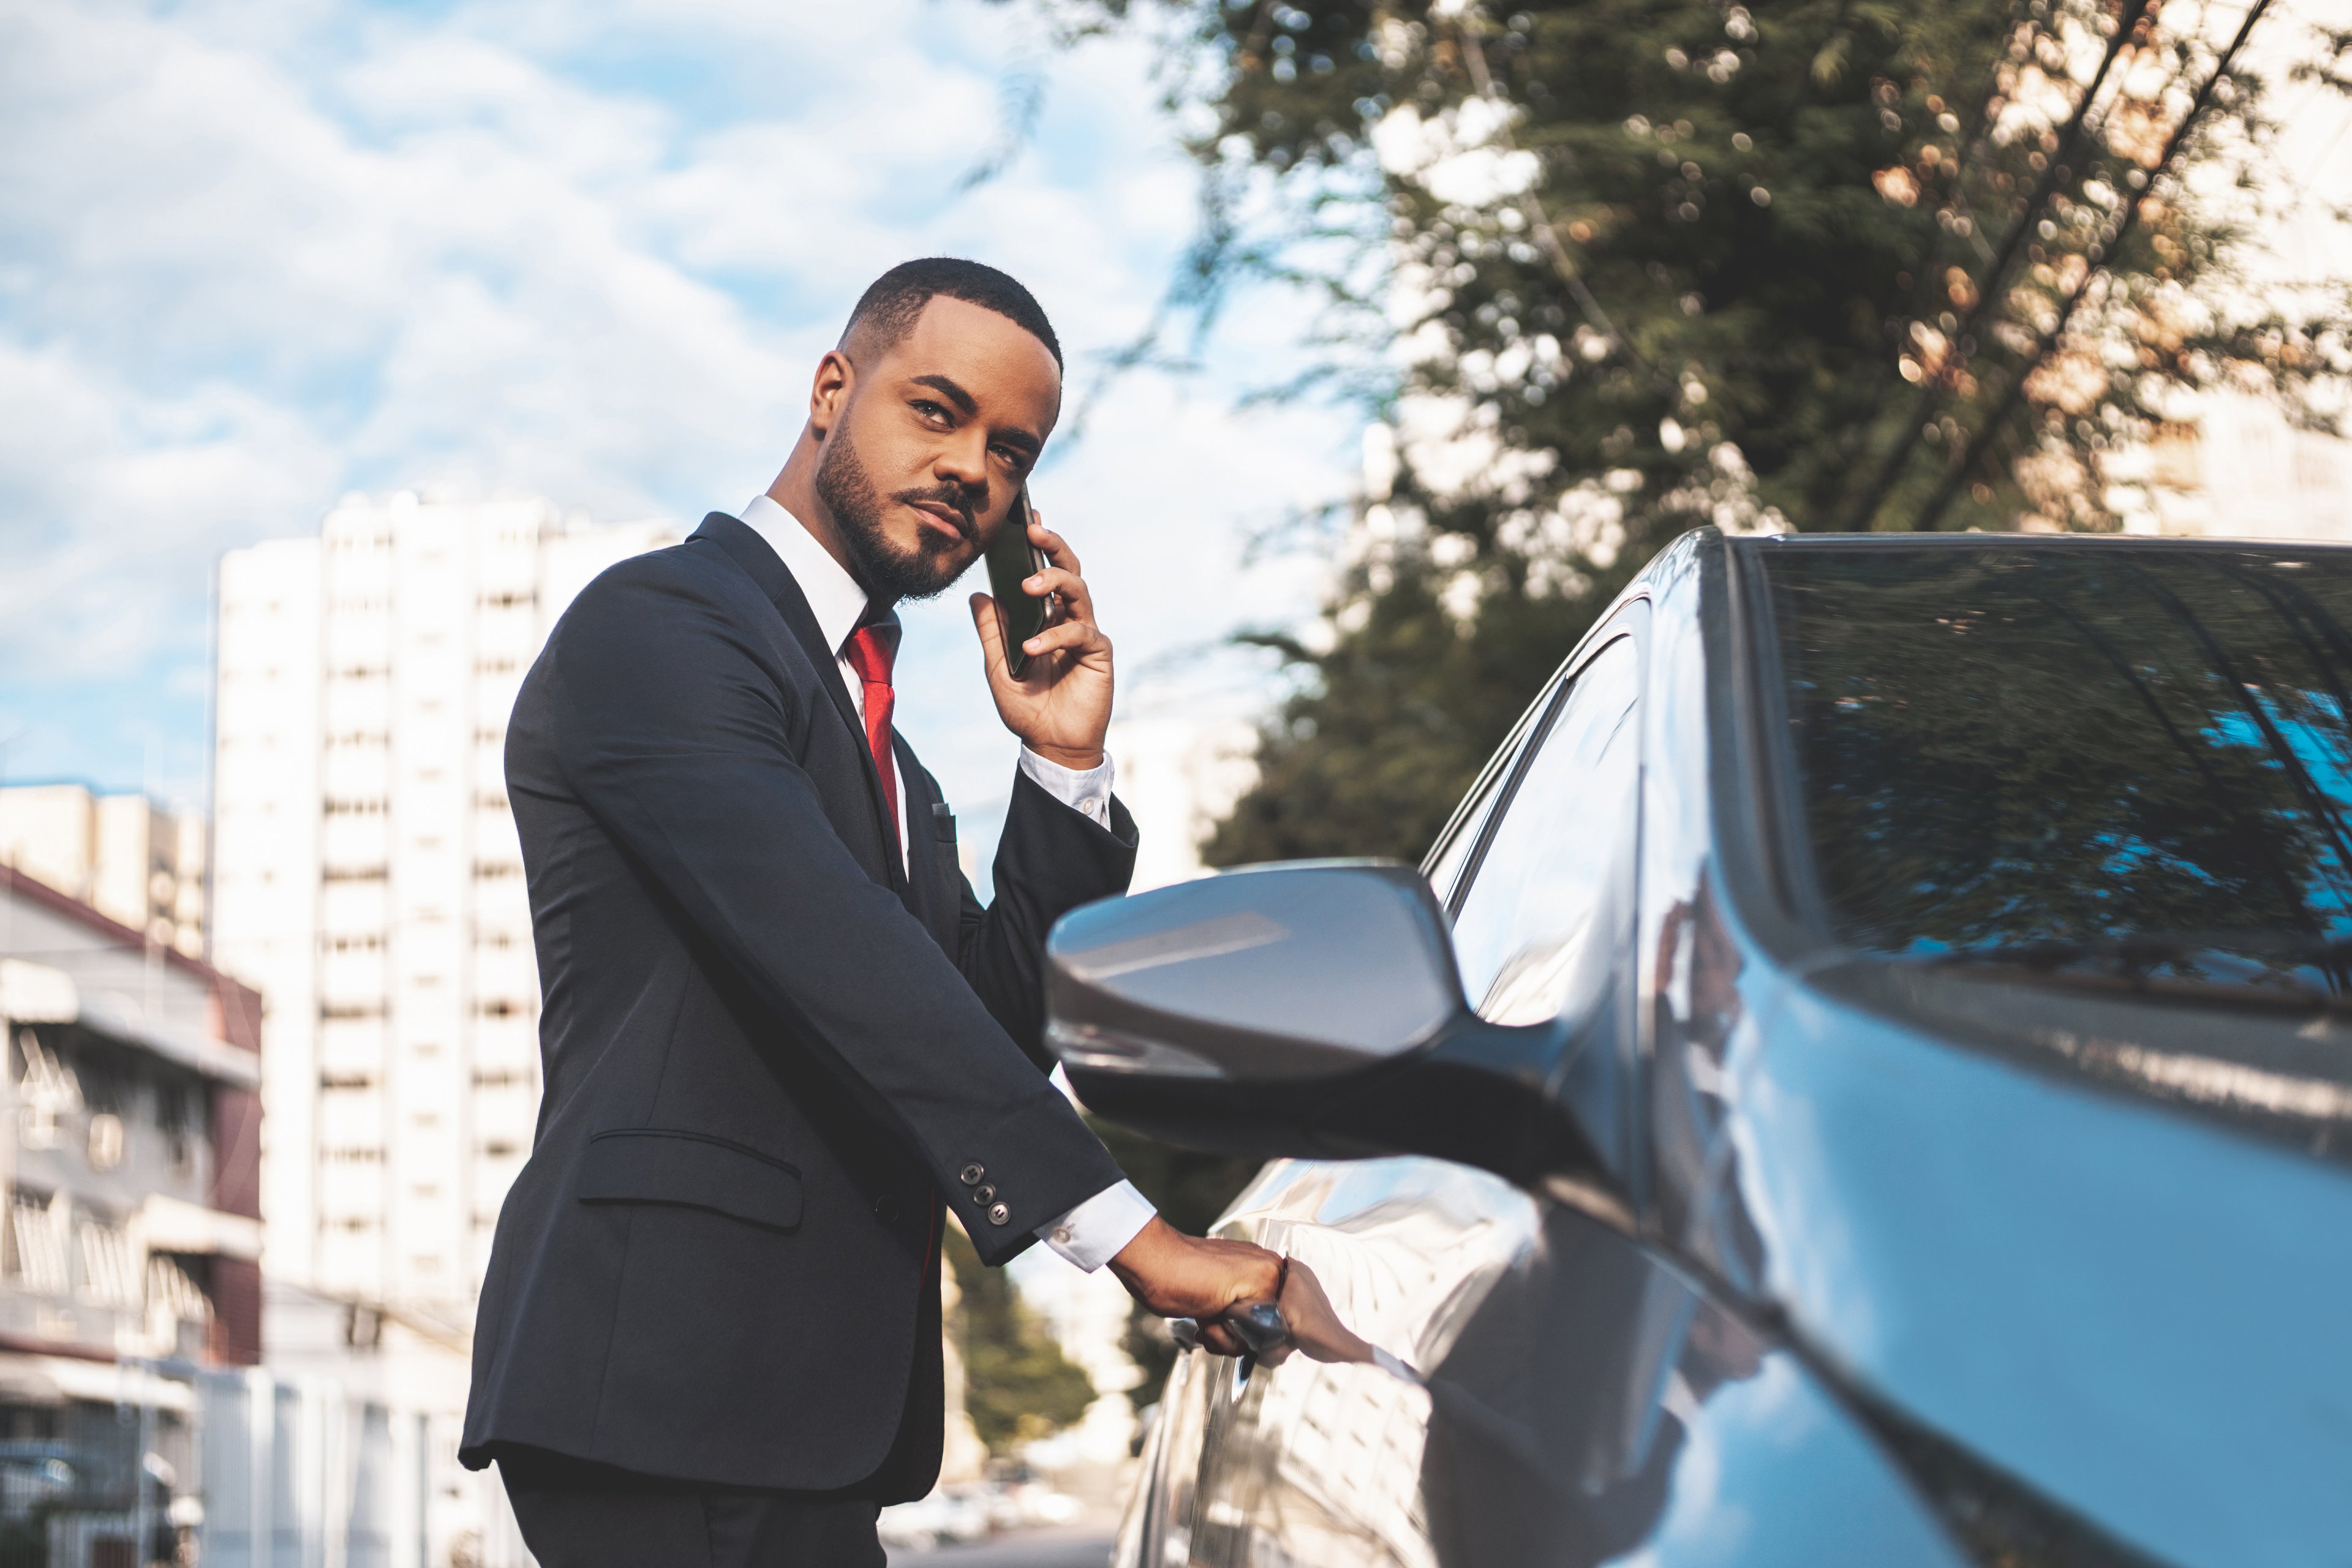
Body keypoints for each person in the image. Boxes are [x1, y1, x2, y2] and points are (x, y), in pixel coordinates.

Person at [458, 258, 1286, 1566]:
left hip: (793, 1407)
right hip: (668, 1385)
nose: (973, 469)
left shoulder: (892, 763)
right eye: (938, 411)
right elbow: (847, 968)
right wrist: (1137, 1240)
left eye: (1012, 453)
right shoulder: (664, 628)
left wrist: (1066, 767)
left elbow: (996, 1031)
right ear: (832, 390)